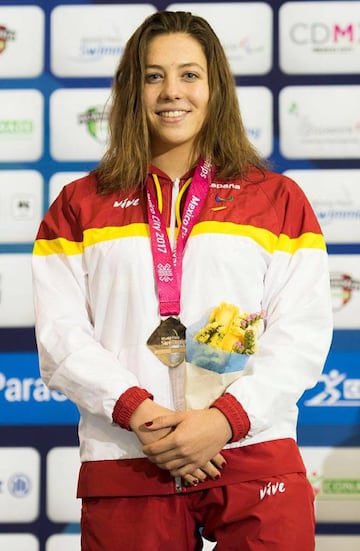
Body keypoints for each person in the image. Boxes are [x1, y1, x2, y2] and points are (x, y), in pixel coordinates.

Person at [32, 10, 333, 551]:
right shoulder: (79, 205)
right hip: (130, 458)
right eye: (153, 76)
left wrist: (223, 421)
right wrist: (138, 412)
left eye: (189, 74)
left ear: (215, 87)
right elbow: (61, 337)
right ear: (132, 89)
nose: (172, 92)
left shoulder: (277, 199)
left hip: (250, 452)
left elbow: (302, 334)